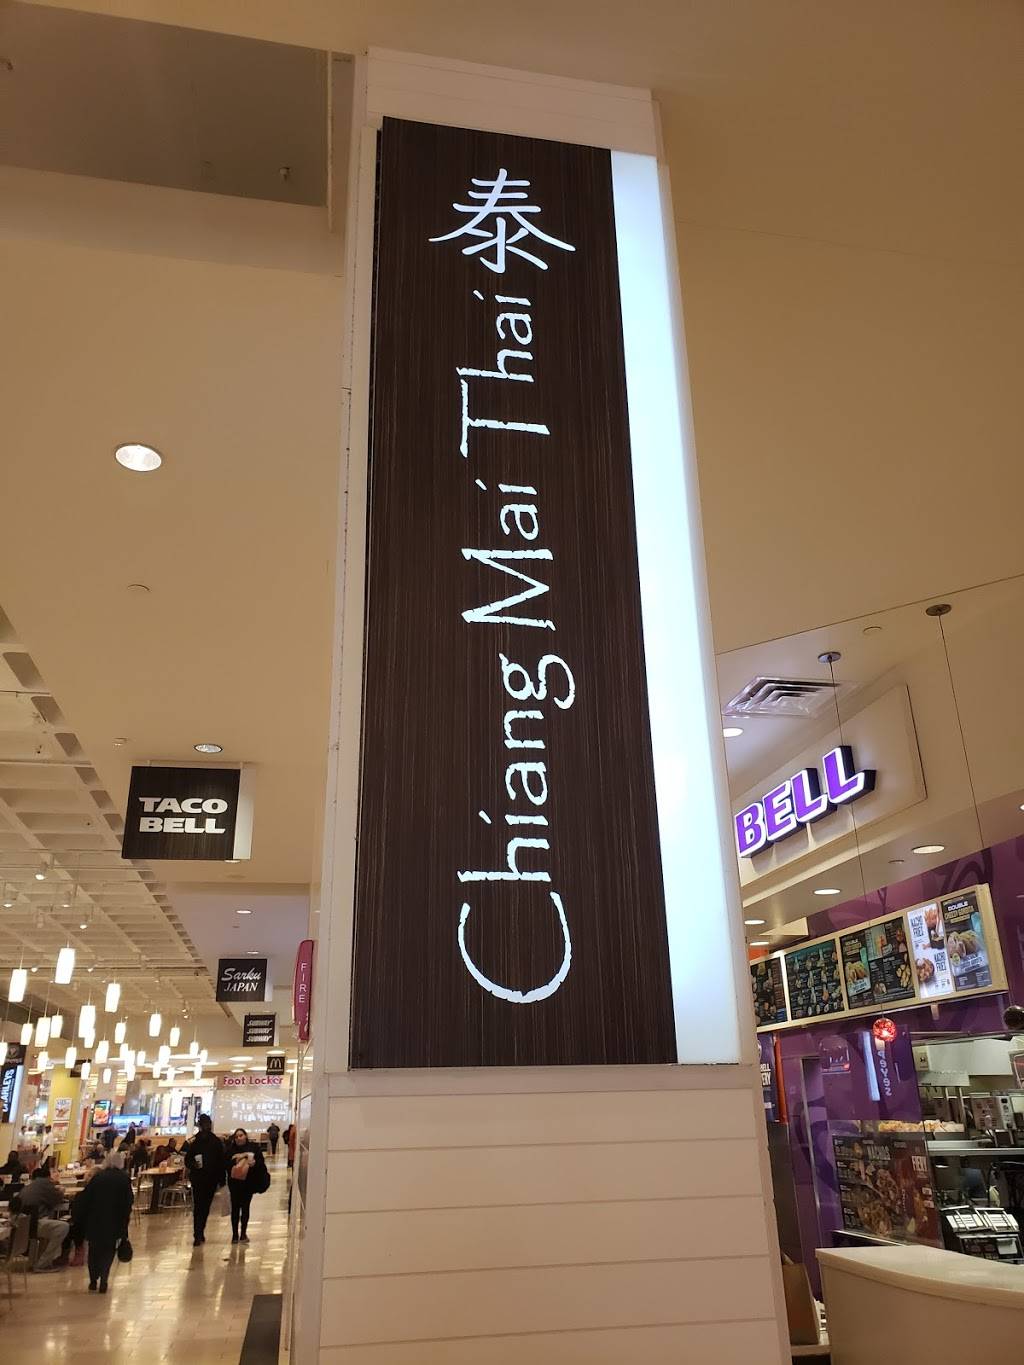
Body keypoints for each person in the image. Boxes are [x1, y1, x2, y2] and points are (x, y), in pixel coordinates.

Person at [70, 1151, 133, 1293]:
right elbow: (128, 1202)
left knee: (94, 1251)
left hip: (95, 1220)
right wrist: (124, 1223)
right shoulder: (124, 1179)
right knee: (108, 1251)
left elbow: (86, 1199)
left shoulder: (98, 1177)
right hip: (114, 1221)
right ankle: (104, 1279)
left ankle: (93, 1279)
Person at [182, 1114, 226, 1247]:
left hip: (209, 1179)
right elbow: (187, 1159)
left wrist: (222, 1180)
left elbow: (221, 1161)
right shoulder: (195, 1142)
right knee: (199, 1207)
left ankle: (200, 1231)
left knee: (204, 1207)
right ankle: (197, 1233)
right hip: (199, 1179)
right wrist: (193, 1164)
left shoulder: (215, 1141)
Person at [14, 1166, 69, 1271]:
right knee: (63, 1227)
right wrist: (61, 1191)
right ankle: (43, 1264)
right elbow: (57, 1198)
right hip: (34, 1224)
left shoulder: (28, 1187)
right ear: (48, 1177)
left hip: (22, 1224)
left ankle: (40, 1260)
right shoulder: (45, 1184)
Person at [226, 1127, 267, 1243]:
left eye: (241, 1135)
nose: (239, 1138)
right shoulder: (230, 1150)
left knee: (245, 1208)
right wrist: (234, 1163)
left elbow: (261, 1163)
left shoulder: (253, 1148)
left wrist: (254, 1163)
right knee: (235, 1208)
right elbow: (225, 1164)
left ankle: (243, 1233)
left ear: (245, 1136)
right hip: (234, 1184)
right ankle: (235, 1235)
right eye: (236, 1136)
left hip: (248, 1184)